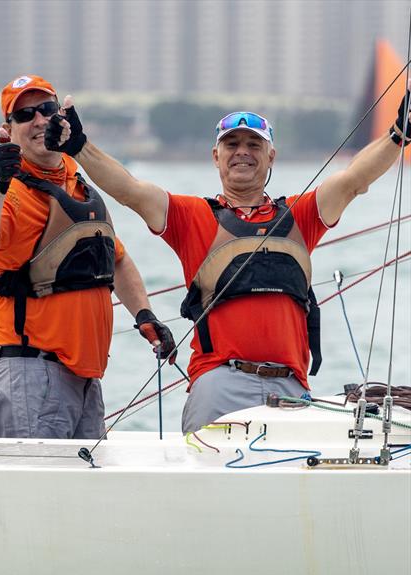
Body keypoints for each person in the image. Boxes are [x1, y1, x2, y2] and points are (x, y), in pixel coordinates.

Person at [45, 88, 411, 433]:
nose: (242, 151)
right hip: (218, 383)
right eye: (231, 144)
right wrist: (79, 146)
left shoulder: (302, 215)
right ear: (215, 156)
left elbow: (353, 179)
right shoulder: (192, 216)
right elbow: (130, 190)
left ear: (271, 157)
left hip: (290, 388)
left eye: (254, 144)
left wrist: (399, 133)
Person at [0, 74, 174, 439]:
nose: (40, 120)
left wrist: (144, 315)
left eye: (46, 109)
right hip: (31, 373)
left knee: (83, 494)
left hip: (86, 377)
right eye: (25, 114)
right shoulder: (8, 192)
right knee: (37, 493)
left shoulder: (77, 184)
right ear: (7, 131)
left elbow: (117, 260)